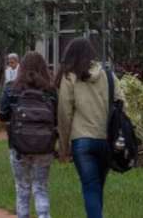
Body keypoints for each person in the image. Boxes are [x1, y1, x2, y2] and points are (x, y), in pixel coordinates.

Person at [57, 37, 126, 218]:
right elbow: (121, 103)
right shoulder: (108, 75)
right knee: (97, 188)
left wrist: (63, 148)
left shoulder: (69, 76)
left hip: (81, 140)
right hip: (106, 139)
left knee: (90, 187)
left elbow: (65, 113)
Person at [0, 52, 57, 218]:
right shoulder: (50, 90)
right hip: (45, 147)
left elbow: (2, 115)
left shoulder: (11, 88)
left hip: (18, 146)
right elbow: (56, 118)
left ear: (21, 67)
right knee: (41, 187)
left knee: (22, 188)